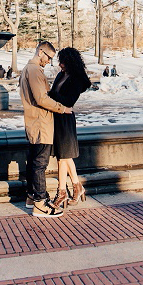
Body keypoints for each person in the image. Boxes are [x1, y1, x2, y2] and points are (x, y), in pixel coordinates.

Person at [19, 41, 72, 218]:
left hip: (35, 122)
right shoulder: (33, 70)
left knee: (34, 161)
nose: (49, 61)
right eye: (48, 57)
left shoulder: (29, 69)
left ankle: (31, 197)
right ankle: (40, 204)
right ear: (41, 52)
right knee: (40, 164)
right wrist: (62, 108)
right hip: (41, 123)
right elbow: (41, 98)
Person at [48, 48, 92, 209]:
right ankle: (76, 187)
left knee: (63, 156)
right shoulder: (61, 74)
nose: (60, 64)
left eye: (63, 61)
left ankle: (62, 192)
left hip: (65, 118)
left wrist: (50, 94)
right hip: (57, 117)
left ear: (70, 62)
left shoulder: (76, 79)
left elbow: (69, 101)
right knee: (63, 156)